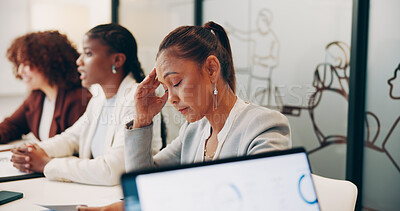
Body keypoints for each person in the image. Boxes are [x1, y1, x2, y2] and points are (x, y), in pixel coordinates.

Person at [78, 21, 290, 210]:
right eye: (166, 88)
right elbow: (145, 181)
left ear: (211, 69)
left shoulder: (265, 126)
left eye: (176, 83)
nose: (171, 99)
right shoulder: (194, 132)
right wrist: (142, 120)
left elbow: (259, 201)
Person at [10, 23, 162, 186]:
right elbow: (71, 138)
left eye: (88, 53)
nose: (79, 61)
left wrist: (46, 164)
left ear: (117, 60)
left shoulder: (136, 101)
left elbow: (111, 170)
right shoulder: (99, 99)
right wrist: (32, 151)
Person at [0, 31, 91, 144]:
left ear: (48, 63)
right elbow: (12, 125)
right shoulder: (37, 96)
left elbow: (76, 148)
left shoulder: (78, 100)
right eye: (19, 64)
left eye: (26, 64)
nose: (20, 71)